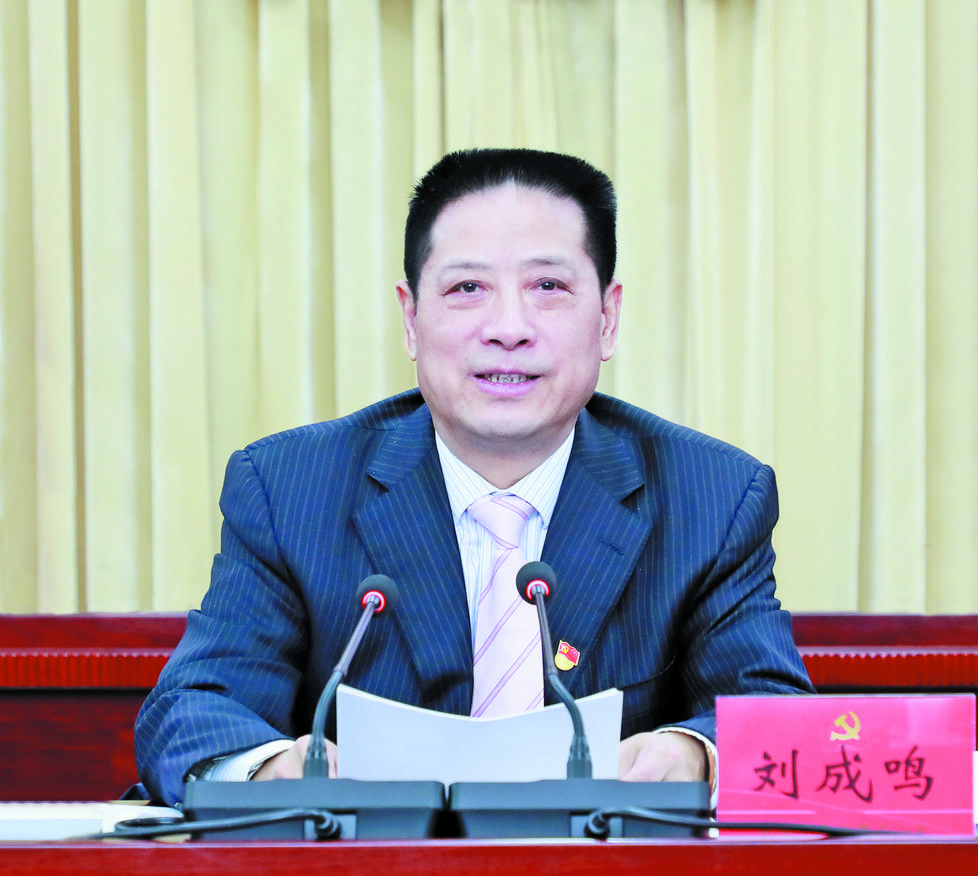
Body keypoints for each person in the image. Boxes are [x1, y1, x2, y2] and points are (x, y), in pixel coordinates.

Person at [134, 148, 814, 807]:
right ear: (411, 319)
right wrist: (269, 770)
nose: (508, 329)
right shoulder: (289, 489)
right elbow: (194, 708)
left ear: (607, 319)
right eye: (467, 289)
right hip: (372, 874)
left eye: (548, 287)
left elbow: (774, 715)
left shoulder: (712, 497)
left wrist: (696, 754)